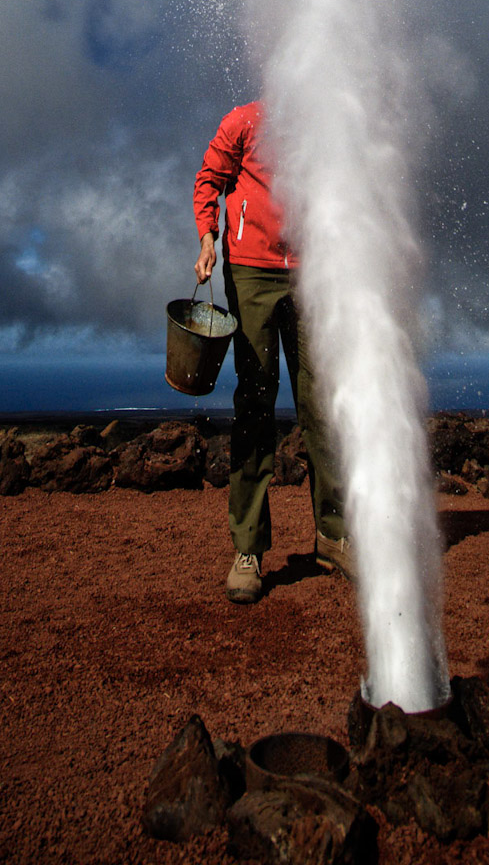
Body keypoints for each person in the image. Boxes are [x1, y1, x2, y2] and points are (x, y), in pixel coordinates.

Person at [193, 99, 354, 604]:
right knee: (256, 404)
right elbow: (208, 181)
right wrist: (207, 239)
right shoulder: (242, 122)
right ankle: (248, 549)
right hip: (250, 272)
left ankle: (333, 535)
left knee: (322, 404)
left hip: (313, 272)